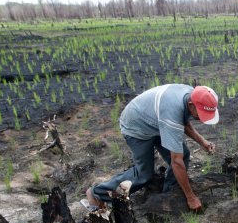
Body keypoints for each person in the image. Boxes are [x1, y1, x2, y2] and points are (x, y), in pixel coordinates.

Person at [82, 83, 219, 212]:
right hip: (135, 127)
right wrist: (191, 197)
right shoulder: (172, 112)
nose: (202, 119)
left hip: (157, 123)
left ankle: (170, 193)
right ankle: (97, 193)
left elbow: (183, 122)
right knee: (144, 174)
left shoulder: (192, 95)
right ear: (191, 105)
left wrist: (202, 141)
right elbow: (176, 161)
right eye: (201, 114)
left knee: (183, 154)